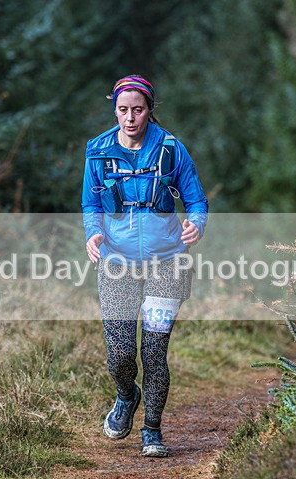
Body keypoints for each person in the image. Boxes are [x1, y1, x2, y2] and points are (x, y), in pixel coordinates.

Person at [81, 75, 208, 457]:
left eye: (138, 110)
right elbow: (91, 203)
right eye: (123, 110)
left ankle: (152, 431)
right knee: (120, 354)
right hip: (116, 263)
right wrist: (93, 233)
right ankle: (126, 395)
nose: (130, 118)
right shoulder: (98, 151)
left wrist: (196, 225)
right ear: (114, 110)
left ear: (150, 109)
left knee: (153, 352)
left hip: (167, 263)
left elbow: (196, 201)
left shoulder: (171, 149)